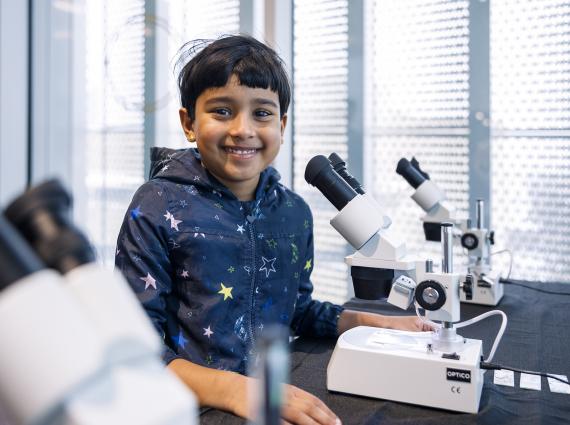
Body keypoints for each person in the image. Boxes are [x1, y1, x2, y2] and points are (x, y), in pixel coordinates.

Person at [115, 34, 431, 425]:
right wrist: (236, 391)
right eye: (222, 111)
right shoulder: (156, 206)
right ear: (189, 123)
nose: (243, 129)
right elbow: (135, 350)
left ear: (281, 125)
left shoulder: (294, 213)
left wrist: (369, 321)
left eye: (261, 114)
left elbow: (295, 311)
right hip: (190, 408)